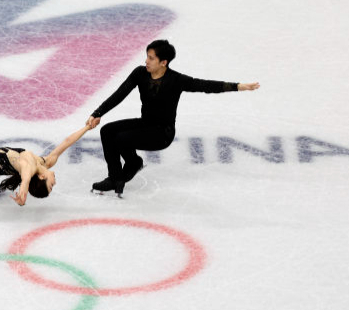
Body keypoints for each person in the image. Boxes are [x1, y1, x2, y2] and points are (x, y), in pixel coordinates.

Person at [86, 40, 260, 196]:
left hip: (162, 133)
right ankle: (117, 176)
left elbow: (205, 85)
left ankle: (128, 167)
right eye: (147, 56)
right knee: (107, 131)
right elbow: (120, 94)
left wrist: (238, 86)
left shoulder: (176, 80)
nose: (146, 61)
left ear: (163, 62)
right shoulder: (140, 73)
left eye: (151, 58)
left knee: (121, 139)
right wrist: (98, 113)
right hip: (145, 123)